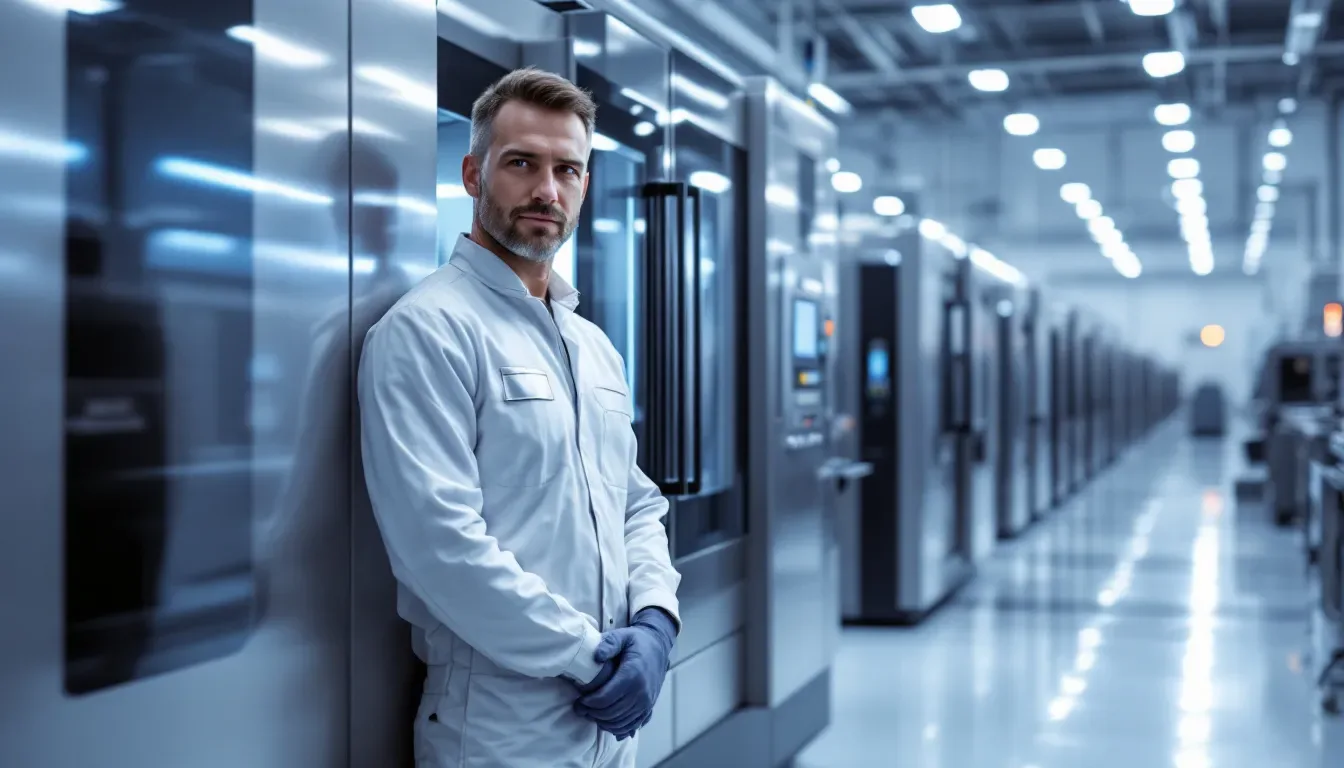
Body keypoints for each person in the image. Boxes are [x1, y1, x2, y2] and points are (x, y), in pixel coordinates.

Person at [357, 67, 682, 768]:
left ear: (586, 187)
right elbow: (440, 545)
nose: (547, 189)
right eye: (521, 164)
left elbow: (635, 504)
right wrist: (591, 658)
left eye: (568, 169)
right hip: (501, 721)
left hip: (615, 716)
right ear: (474, 175)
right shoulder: (428, 330)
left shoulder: (591, 345)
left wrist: (655, 624)